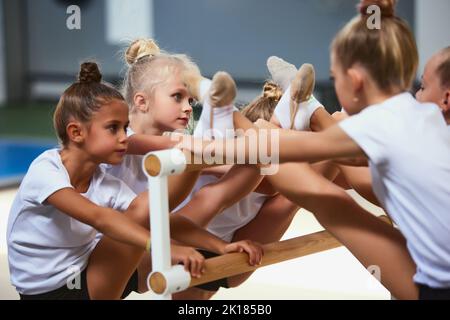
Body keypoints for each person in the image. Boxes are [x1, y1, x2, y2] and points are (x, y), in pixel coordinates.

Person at [182, 0, 450, 300]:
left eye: (335, 78)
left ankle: (305, 109)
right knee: (328, 192)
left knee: (317, 193)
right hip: (436, 269)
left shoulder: (381, 125)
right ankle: (306, 110)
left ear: (355, 81)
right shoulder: (426, 121)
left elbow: (296, 150)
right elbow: (349, 160)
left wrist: (226, 136)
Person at [7, 62, 263, 300]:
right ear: (76, 132)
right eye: (113, 128)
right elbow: (100, 218)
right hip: (53, 293)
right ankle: (218, 112)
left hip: (90, 272)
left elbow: (164, 220)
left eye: (125, 127)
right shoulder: (46, 170)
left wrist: (221, 246)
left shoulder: (105, 184)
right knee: (144, 207)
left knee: (149, 209)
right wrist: (166, 248)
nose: (123, 137)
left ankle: (221, 114)